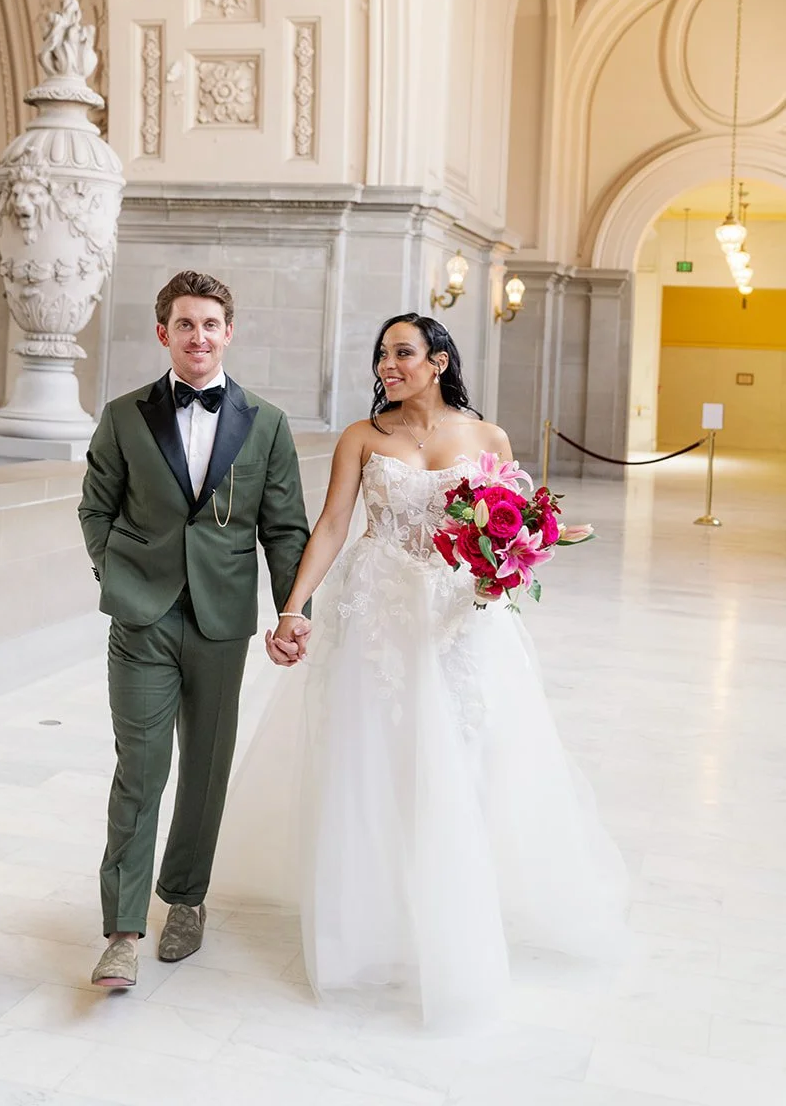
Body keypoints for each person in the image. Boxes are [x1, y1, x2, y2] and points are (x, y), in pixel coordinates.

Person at [214, 312, 628, 1030]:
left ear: (438, 360)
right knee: (373, 764)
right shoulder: (362, 438)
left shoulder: (488, 437)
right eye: (381, 355)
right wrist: (291, 608)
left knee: (465, 763)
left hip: (458, 622)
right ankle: (370, 929)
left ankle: (455, 915)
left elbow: (516, 523)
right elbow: (334, 526)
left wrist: (527, 547)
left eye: (401, 352)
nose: (386, 365)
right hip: (377, 615)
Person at [78, 270, 310, 989]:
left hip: (221, 620)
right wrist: (117, 576)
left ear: (228, 332)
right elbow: (95, 509)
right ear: (163, 334)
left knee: (206, 772)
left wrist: (291, 610)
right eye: (184, 324)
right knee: (140, 771)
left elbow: (284, 528)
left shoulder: (265, 423)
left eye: (210, 324)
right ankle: (120, 931)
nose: (198, 336)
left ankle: (184, 900)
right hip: (141, 617)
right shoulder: (121, 416)